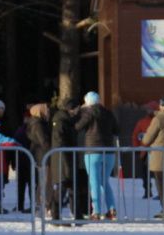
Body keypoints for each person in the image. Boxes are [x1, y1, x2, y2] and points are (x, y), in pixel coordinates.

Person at [74, 91, 118, 220]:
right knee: (104, 181)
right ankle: (111, 209)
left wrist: (79, 113)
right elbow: (117, 130)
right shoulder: (109, 113)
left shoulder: (89, 113)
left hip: (93, 151)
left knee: (94, 182)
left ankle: (96, 211)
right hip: (109, 151)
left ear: (87, 103)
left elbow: (78, 127)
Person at [50, 98, 84, 220]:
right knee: (62, 188)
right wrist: (66, 156)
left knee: (73, 188)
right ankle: (56, 216)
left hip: (69, 158)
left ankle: (77, 215)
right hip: (62, 159)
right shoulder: (60, 121)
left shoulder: (67, 120)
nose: (78, 111)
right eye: (77, 109)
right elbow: (59, 141)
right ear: (71, 109)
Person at [24, 102, 53, 217]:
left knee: (44, 181)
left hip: (42, 155)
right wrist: (52, 149)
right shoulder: (38, 124)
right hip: (42, 155)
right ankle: (42, 205)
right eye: (46, 110)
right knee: (44, 181)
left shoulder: (38, 123)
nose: (48, 112)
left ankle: (42, 205)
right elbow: (43, 141)